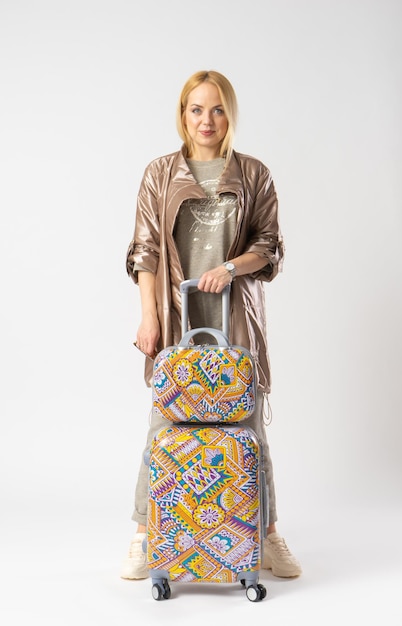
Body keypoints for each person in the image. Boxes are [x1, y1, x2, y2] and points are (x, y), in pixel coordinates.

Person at [121, 70, 302, 580]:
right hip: (178, 318)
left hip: (236, 317)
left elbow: (269, 246)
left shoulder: (253, 174)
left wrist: (230, 268)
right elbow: (145, 249)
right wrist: (149, 315)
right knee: (164, 428)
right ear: (183, 115)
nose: (207, 120)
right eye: (197, 109)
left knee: (246, 427)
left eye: (217, 109)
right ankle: (144, 535)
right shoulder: (160, 173)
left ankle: (265, 536)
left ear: (231, 115)